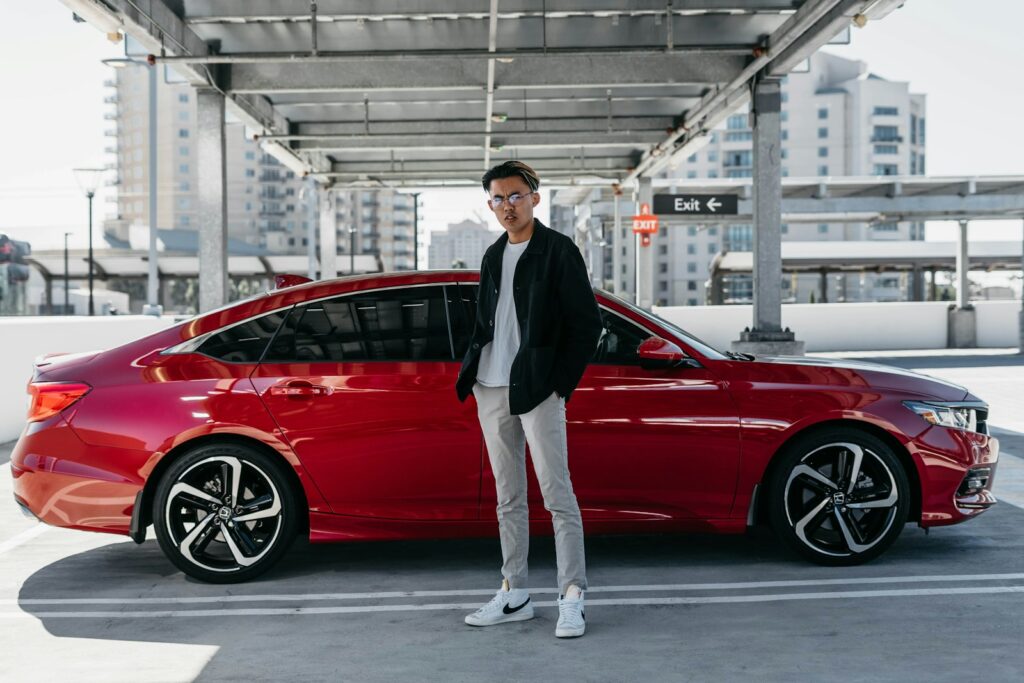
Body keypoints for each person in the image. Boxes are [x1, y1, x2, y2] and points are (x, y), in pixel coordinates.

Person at [455, 160, 603, 638]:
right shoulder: (493, 254)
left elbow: (586, 326)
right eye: (497, 198)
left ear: (535, 198)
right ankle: (514, 591)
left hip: (538, 388)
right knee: (508, 497)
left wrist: (560, 382)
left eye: (515, 196)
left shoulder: (559, 250)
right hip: (492, 386)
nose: (506, 206)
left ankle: (572, 595)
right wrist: (474, 371)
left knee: (557, 494)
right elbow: (487, 323)